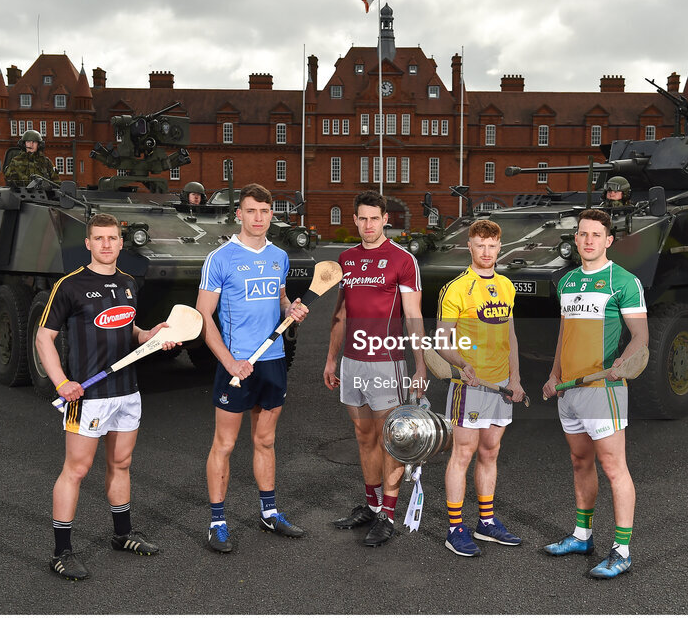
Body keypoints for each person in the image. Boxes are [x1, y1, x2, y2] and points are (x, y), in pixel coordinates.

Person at [36, 212, 177, 581]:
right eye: (98, 238)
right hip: (88, 395)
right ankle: (61, 552)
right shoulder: (69, 285)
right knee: (76, 470)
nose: (106, 244)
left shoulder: (128, 283)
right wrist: (61, 382)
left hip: (127, 391)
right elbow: (43, 337)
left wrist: (151, 335)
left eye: (112, 238)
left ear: (120, 242)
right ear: (88, 243)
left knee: (122, 463)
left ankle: (122, 534)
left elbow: (129, 330)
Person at [197, 183, 308, 553]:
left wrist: (291, 308)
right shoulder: (220, 258)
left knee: (265, 440)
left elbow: (280, 298)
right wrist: (229, 361)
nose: (258, 218)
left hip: (272, 361)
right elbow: (203, 316)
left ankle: (269, 513)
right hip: (236, 364)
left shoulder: (279, 256)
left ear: (271, 215)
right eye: (251, 211)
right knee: (225, 444)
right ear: (239, 214)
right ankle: (217, 522)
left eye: (264, 211)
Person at [541, 208, 648, 579]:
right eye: (583, 234)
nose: (588, 241)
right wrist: (553, 374)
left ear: (608, 240)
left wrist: (623, 362)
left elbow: (641, 337)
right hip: (569, 390)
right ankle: (582, 536)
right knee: (579, 462)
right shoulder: (567, 281)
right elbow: (565, 332)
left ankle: (622, 551)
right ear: (576, 239)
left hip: (603, 390)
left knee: (614, 468)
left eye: (596, 235)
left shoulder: (624, 281)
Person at [323, 190, 426, 547]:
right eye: (362, 218)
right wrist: (331, 358)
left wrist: (420, 366)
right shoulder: (346, 259)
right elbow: (341, 314)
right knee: (363, 436)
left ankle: (388, 516)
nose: (368, 225)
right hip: (352, 362)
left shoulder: (402, 259)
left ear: (386, 219)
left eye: (374, 218)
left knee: (389, 440)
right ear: (355, 220)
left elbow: (413, 315)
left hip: (386, 362)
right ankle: (372, 506)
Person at [436, 219, 525, 557]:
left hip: (500, 384)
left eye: (491, 246)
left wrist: (515, 378)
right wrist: (462, 364)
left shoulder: (506, 285)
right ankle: (455, 528)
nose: (486, 252)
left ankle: (485, 523)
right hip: (471, 385)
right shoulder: (456, 288)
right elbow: (441, 341)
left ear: (499, 247)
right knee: (463, 453)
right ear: (469, 246)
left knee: (490, 451)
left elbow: (510, 335)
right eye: (480, 245)